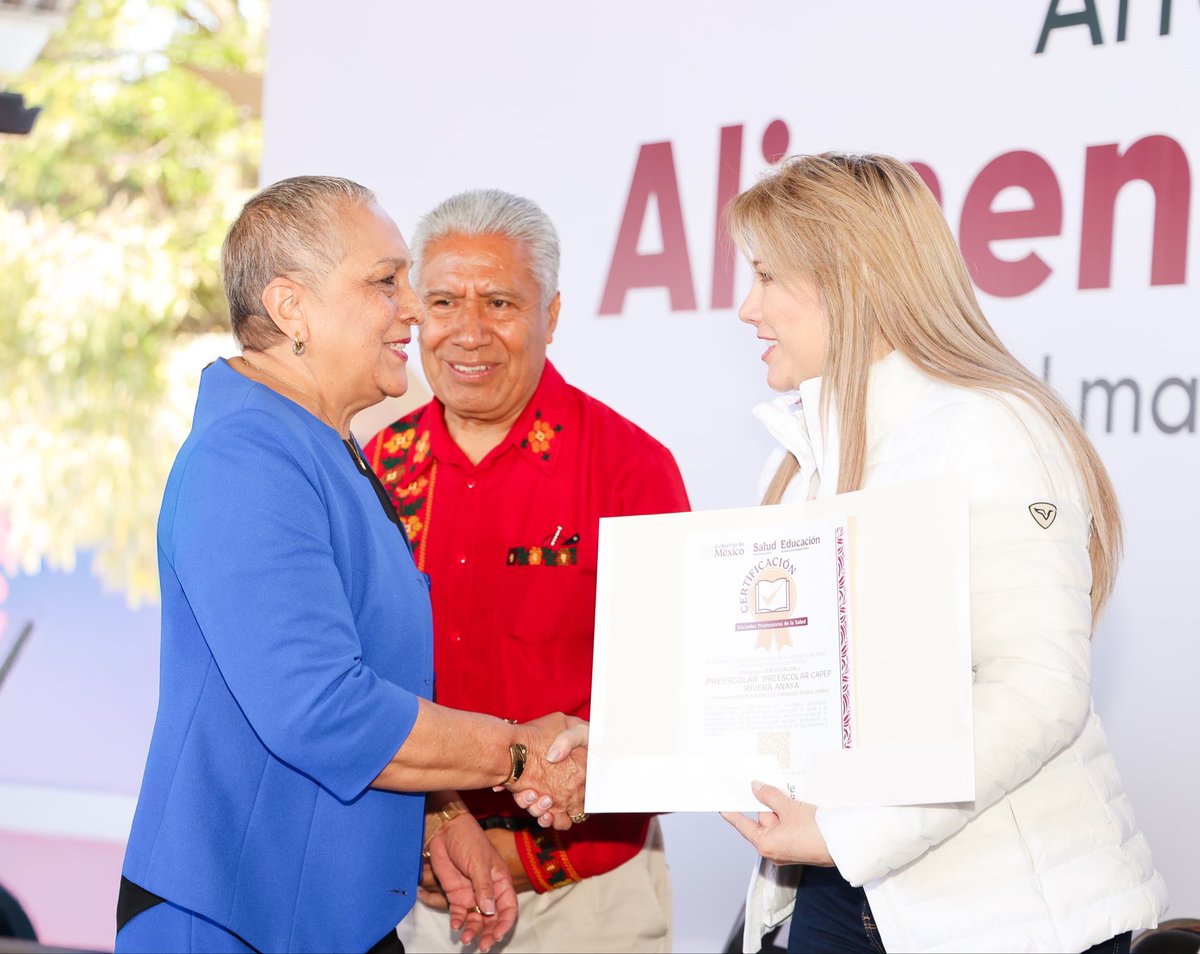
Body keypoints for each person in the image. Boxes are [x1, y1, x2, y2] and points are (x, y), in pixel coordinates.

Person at [116, 176, 589, 954]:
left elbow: (370, 675)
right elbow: (322, 710)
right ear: (289, 306)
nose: (411, 306)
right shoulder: (247, 458)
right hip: (235, 917)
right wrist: (515, 753)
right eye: (383, 282)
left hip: (320, 913)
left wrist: (441, 812)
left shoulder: (321, 446)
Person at [713, 153, 1169, 953]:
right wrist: (619, 743)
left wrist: (851, 829)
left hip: (1002, 918)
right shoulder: (796, 457)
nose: (748, 307)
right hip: (833, 895)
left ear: (848, 277)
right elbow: (771, 680)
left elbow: (1037, 691)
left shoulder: (988, 427)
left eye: (766, 275)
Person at [363, 189, 689, 953]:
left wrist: (512, 851)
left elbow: (677, 705)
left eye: (500, 302)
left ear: (552, 314)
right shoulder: (378, 469)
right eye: (443, 301)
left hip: (587, 898)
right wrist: (444, 825)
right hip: (413, 890)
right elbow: (354, 683)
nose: (468, 332)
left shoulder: (631, 470)